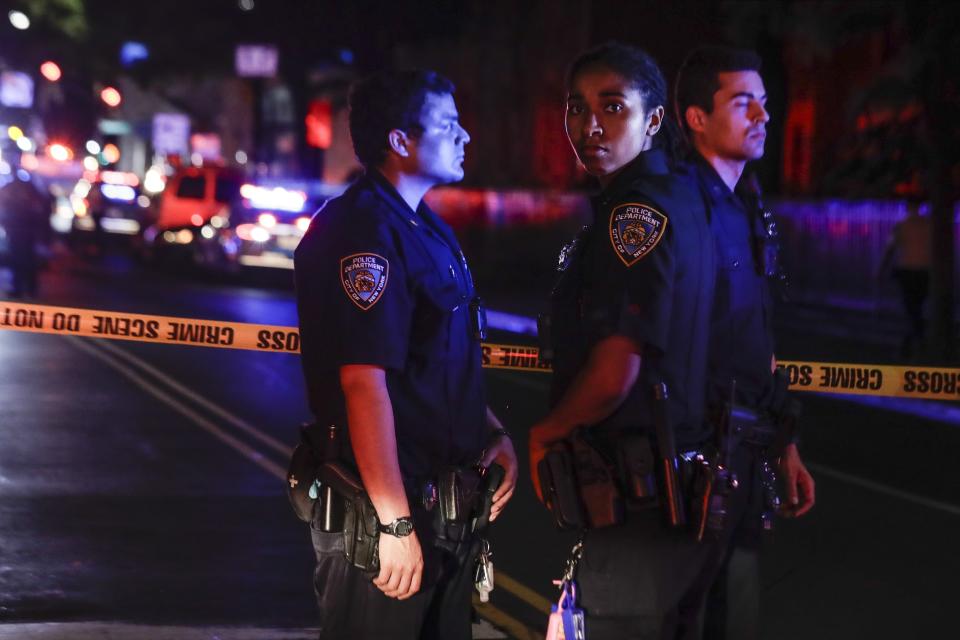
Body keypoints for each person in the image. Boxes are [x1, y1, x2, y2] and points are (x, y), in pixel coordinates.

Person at [293, 70, 517, 639]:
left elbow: (437, 367)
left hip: (444, 512)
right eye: (448, 124)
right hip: (385, 520)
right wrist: (393, 524)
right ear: (400, 140)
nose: (465, 135)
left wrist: (495, 437)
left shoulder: (430, 232)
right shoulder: (364, 232)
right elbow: (364, 383)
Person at [529, 43, 720, 638]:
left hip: (640, 500)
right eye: (576, 109)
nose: (589, 126)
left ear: (654, 120)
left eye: (613, 107)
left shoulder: (633, 215)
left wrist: (547, 433)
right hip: (685, 505)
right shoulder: (689, 201)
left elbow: (617, 368)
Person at [674, 45, 816, 639]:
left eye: (764, 102)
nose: (762, 116)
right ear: (697, 117)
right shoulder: (678, 208)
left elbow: (758, 340)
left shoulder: (748, 206)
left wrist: (785, 446)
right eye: (742, 103)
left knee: (737, 618)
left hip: (748, 455)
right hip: (692, 465)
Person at [879, 200, 931, 359]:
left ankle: (912, 342)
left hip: (907, 272)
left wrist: (881, 269)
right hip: (924, 271)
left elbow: (890, 249)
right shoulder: (929, 226)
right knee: (917, 306)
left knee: (911, 307)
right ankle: (915, 341)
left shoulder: (901, 226)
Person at [0, 170, 49, 298]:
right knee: (22, 258)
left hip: (22, 228)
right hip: (21, 228)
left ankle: (26, 289)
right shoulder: (27, 188)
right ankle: (27, 289)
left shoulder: (19, 188)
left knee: (22, 258)